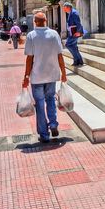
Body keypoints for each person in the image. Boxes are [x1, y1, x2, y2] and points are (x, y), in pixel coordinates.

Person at [22, 12, 67, 143]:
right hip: (52, 75)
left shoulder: (31, 36)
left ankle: (44, 134)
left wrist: (26, 76)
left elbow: (29, 58)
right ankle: (53, 124)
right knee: (51, 100)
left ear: (35, 22)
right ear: (46, 21)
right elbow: (60, 55)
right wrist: (63, 73)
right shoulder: (54, 34)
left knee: (40, 105)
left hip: (37, 76)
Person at [63, 1, 84, 67]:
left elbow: (78, 23)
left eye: (64, 8)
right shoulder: (70, 13)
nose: (64, 9)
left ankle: (77, 60)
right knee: (74, 46)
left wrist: (79, 32)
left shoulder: (74, 13)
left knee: (68, 45)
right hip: (72, 32)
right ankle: (79, 61)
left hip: (75, 32)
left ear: (68, 7)